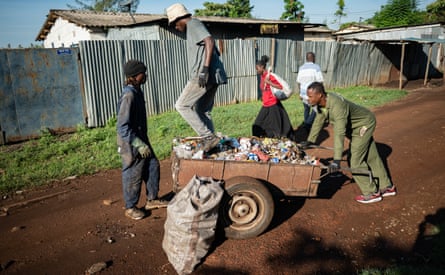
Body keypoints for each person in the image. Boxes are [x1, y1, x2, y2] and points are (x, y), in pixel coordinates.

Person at [301, 82, 396, 204]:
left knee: (355, 160)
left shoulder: (337, 106)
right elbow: (319, 120)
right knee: (371, 157)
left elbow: (339, 134)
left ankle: (371, 193)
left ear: (319, 95)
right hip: (355, 127)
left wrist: (336, 161)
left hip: (364, 125)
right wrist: (310, 141)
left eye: (310, 96)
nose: (308, 99)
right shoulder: (322, 105)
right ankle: (387, 187)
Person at [166, 3, 227, 152]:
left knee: (181, 105)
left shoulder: (193, 24)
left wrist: (204, 69)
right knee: (202, 111)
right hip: (215, 75)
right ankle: (213, 144)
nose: (175, 27)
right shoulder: (194, 26)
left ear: (179, 19)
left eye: (174, 23)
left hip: (203, 75)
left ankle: (208, 137)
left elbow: (209, 41)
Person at [116, 60, 167, 220]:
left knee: (152, 165)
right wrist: (138, 144)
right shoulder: (129, 95)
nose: (145, 75)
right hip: (131, 143)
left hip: (141, 139)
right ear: (136, 75)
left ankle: (152, 199)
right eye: (143, 72)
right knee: (133, 173)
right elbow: (122, 127)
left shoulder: (137, 91)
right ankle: (130, 207)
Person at [252, 55, 294, 140]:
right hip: (266, 104)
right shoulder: (263, 76)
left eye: (257, 68)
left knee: (276, 128)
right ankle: (260, 140)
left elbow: (280, 87)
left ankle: (278, 142)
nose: (256, 71)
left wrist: (269, 82)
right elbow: (265, 89)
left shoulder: (270, 76)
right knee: (258, 124)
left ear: (262, 67)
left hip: (273, 104)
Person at [296, 52, 324, 131]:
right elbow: (320, 81)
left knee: (306, 109)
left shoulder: (301, 68)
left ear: (306, 58)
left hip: (304, 93)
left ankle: (306, 125)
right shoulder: (316, 67)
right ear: (313, 58)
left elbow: (298, 82)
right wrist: (322, 92)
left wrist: (300, 93)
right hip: (312, 94)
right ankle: (307, 124)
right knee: (316, 109)